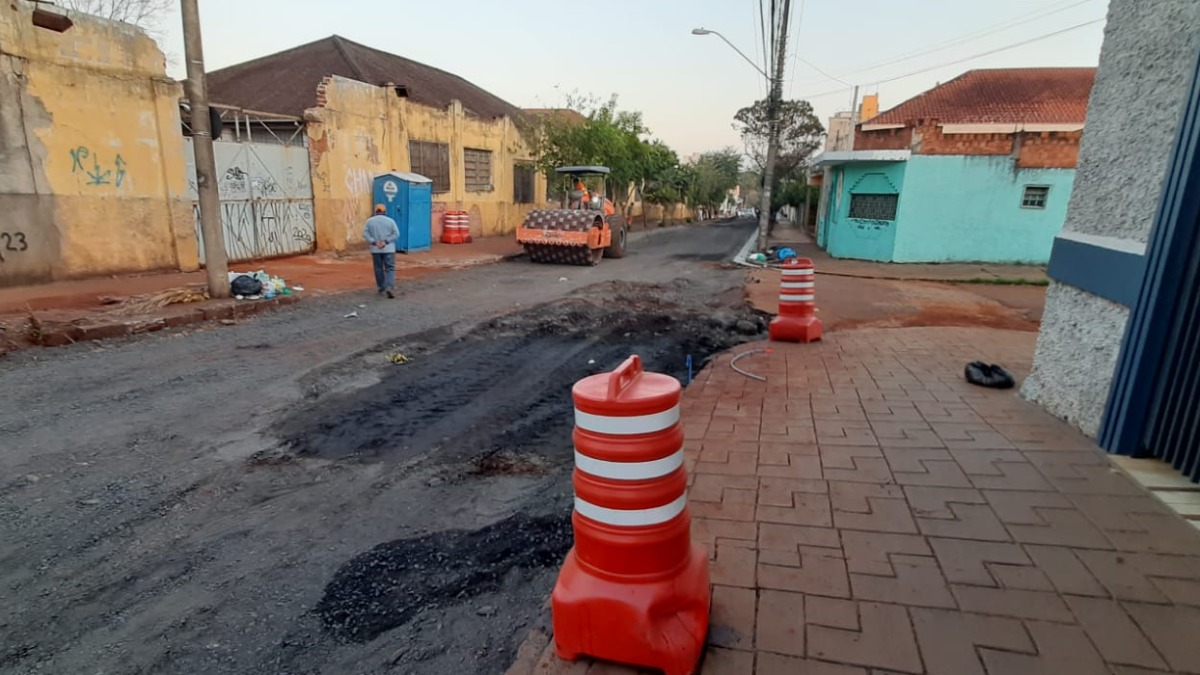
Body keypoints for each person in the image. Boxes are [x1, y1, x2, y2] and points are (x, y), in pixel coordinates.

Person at [363, 204, 399, 298]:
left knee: (378, 268)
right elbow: (396, 234)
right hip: (389, 249)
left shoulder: (369, 221)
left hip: (375, 249)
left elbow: (365, 234)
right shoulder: (390, 221)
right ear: (385, 211)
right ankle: (389, 287)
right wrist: (386, 241)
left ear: (375, 211)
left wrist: (374, 242)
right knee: (390, 268)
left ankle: (381, 287)